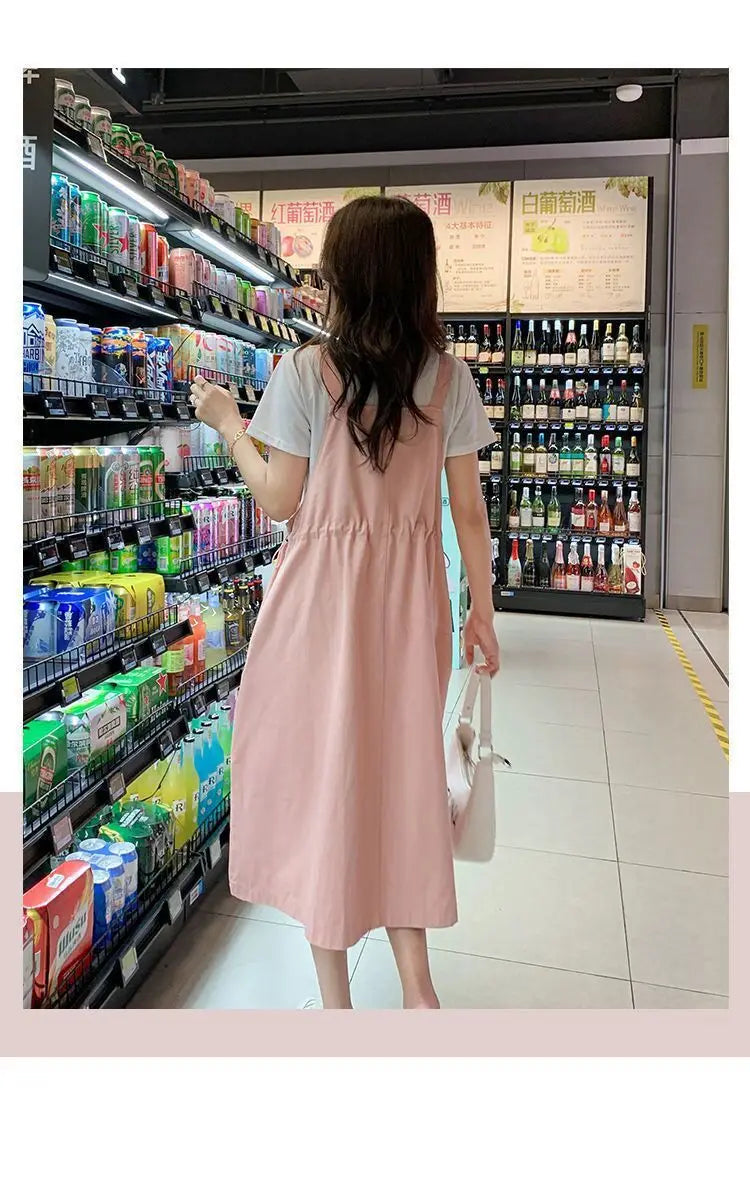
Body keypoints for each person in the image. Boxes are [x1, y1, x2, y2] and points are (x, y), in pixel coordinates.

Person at [191, 195, 500, 1010]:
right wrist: (483, 612)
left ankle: (336, 1007)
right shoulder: (449, 375)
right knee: (400, 773)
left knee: (322, 777)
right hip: (411, 601)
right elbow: (469, 511)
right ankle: (418, 986)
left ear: (345, 279)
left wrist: (228, 424)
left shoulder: (303, 372)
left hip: (320, 603)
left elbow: (281, 500)